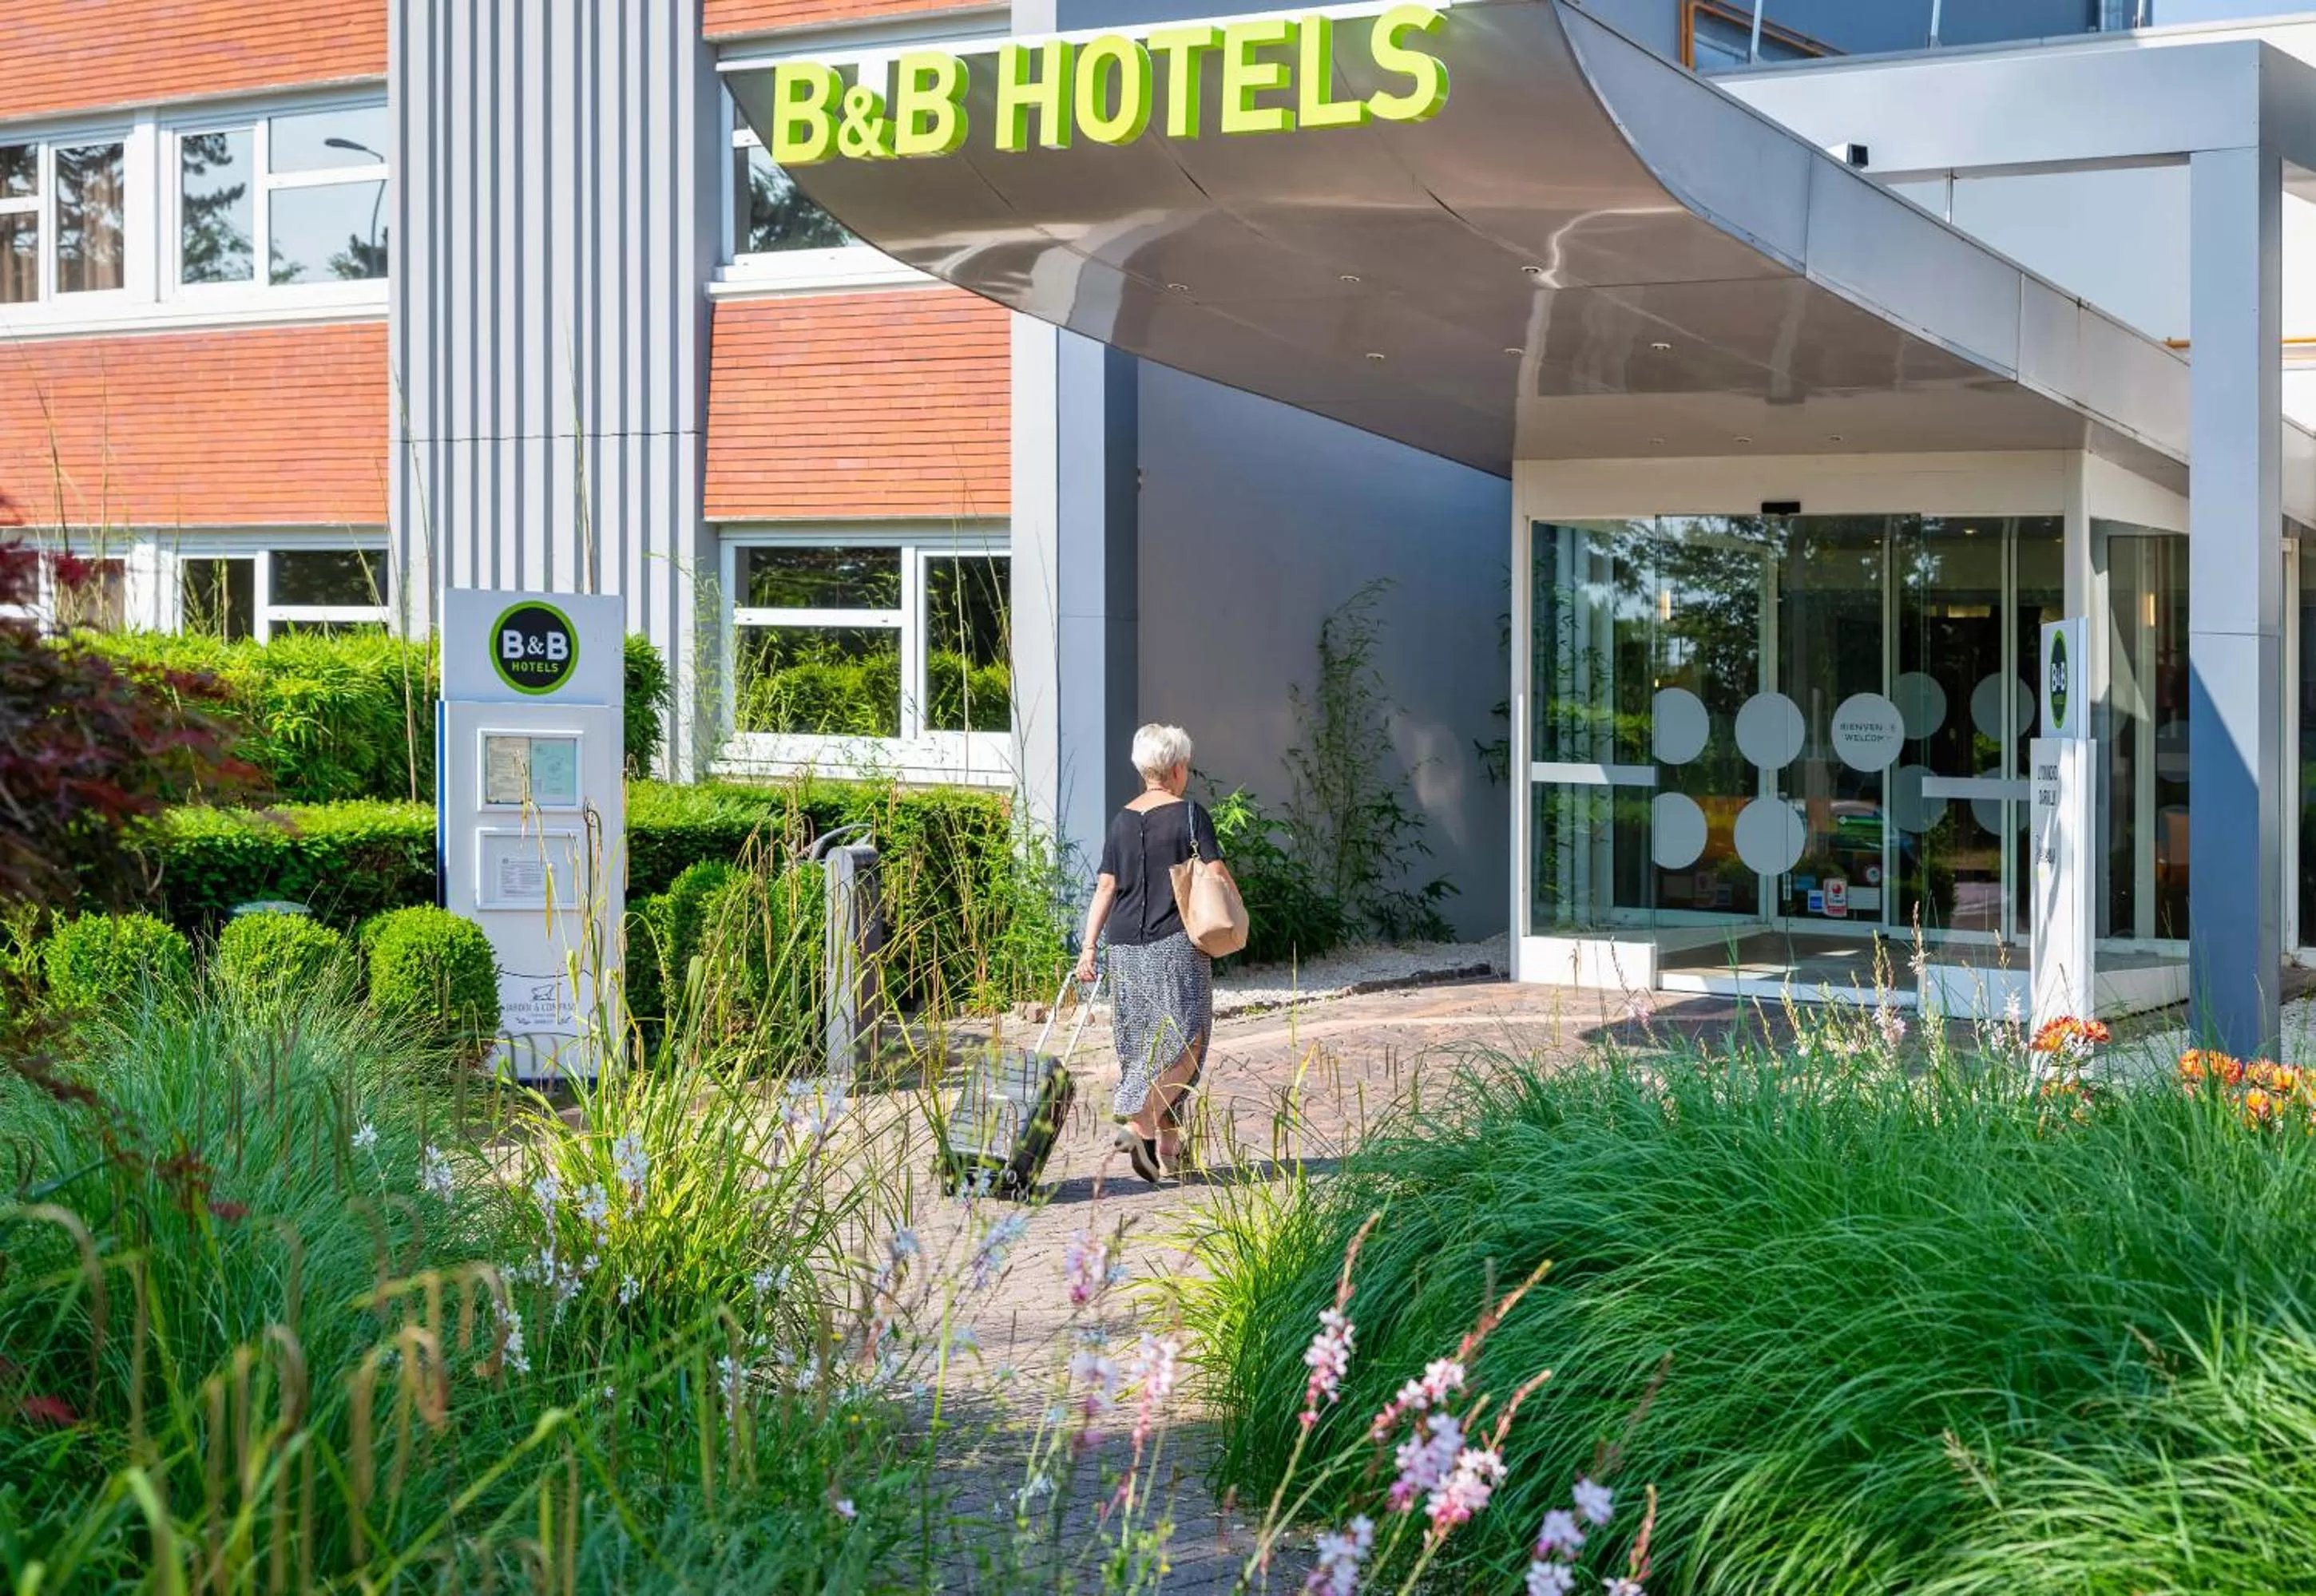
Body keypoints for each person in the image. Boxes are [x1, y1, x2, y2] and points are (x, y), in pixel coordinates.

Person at [1075, 723, 1235, 1185]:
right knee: (1188, 1038)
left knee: (1145, 1045)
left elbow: (1106, 885)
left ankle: (1167, 1147)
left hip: (1124, 946)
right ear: (1177, 767)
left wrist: (1088, 947)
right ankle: (1139, 1123)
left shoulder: (1122, 818)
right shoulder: (1190, 814)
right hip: (1174, 944)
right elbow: (1215, 871)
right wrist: (1235, 910)